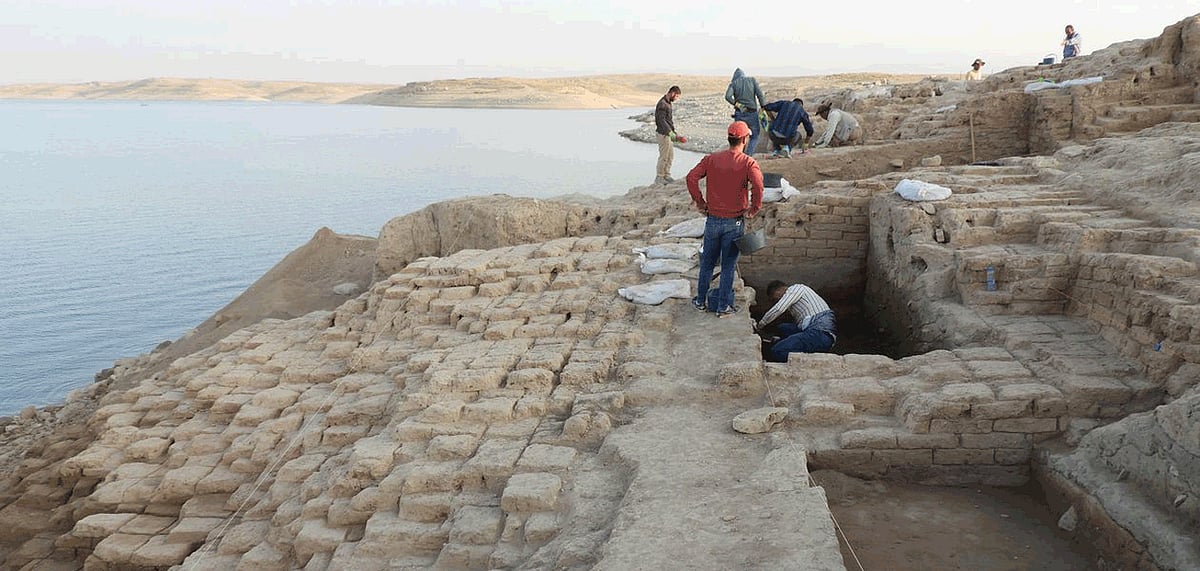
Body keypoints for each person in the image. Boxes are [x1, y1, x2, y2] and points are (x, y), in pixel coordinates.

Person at [685, 121, 764, 315]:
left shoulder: (711, 159)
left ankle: (700, 301)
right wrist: (754, 208)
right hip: (734, 222)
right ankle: (723, 306)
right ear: (745, 139)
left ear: (729, 138)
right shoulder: (748, 163)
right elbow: (759, 186)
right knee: (728, 266)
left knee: (707, 264)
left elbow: (691, 178)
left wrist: (700, 202)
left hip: (713, 220)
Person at [756, 280, 836, 361]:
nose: (776, 301)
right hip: (812, 331)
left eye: (774, 299)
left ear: (778, 290)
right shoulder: (795, 305)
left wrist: (760, 325)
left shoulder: (796, 288)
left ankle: (811, 361)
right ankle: (779, 342)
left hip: (820, 334)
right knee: (783, 327)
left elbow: (779, 309)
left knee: (777, 351)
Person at [725, 68, 767, 157]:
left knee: (739, 136)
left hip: (740, 114)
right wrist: (763, 106)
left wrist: (737, 105)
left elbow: (728, 96)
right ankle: (748, 156)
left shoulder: (734, 83)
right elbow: (760, 94)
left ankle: (738, 156)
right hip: (752, 113)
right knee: (754, 135)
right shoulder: (752, 80)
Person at [655, 86, 684, 185]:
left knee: (670, 156)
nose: (676, 99)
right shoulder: (662, 104)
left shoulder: (668, 103)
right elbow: (662, 121)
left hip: (668, 134)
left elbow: (669, 121)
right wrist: (670, 133)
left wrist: (674, 134)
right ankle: (659, 177)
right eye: (677, 96)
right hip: (663, 134)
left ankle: (666, 174)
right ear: (672, 93)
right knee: (663, 156)